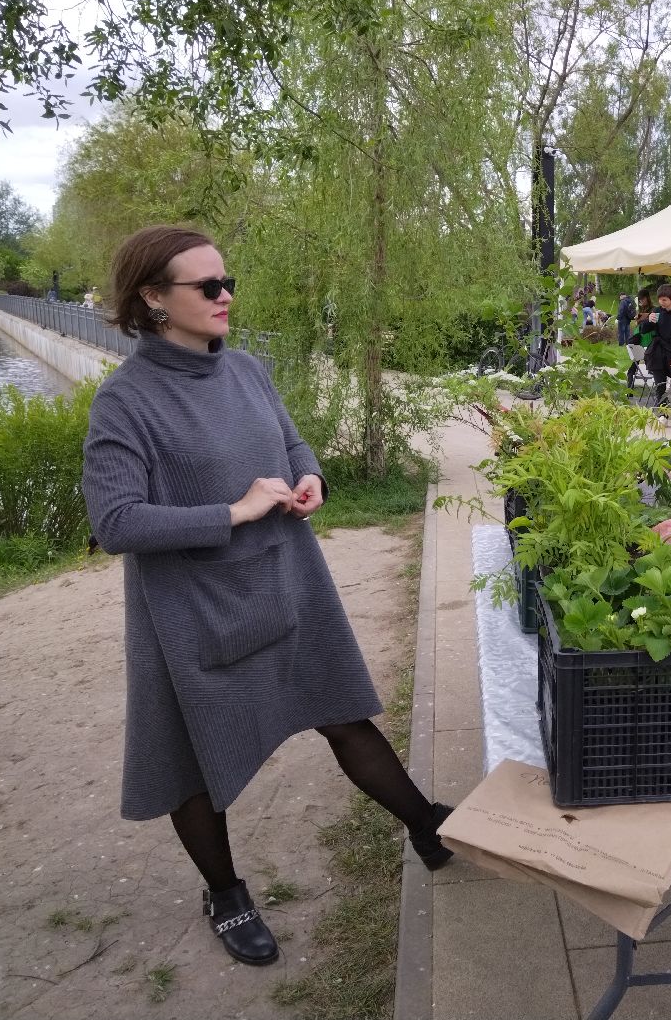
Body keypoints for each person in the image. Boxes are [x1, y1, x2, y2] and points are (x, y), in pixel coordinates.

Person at [82, 226, 454, 969]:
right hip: (190, 614)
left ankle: (424, 822)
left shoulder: (246, 369)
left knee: (342, 712)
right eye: (207, 287)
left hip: (285, 579)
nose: (226, 297)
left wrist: (309, 475)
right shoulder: (124, 402)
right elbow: (114, 520)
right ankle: (225, 894)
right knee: (189, 762)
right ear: (153, 299)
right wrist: (233, 512)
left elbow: (289, 444)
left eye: (228, 283)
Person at [625, 290, 655, 389]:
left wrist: (644, 318)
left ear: (647, 298)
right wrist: (638, 319)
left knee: (648, 361)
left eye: (642, 299)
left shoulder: (654, 309)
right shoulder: (640, 309)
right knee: (635, 362)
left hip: (649, 338)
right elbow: (638, 324)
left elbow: (653, 323)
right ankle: (630, 386)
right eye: (639, 300)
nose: (641, 301)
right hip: (639, 338)